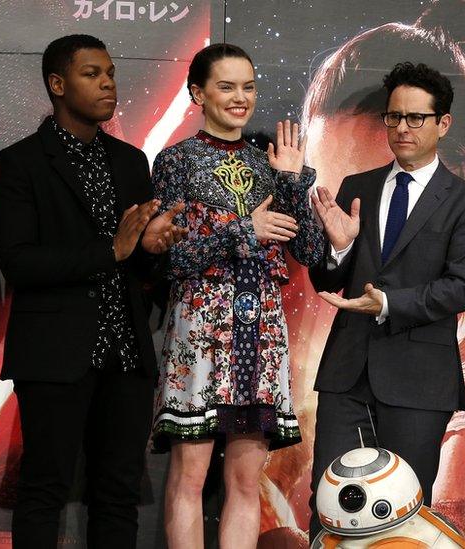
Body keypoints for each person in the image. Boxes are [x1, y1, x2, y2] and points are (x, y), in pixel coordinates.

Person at [0, 34, 182, 548]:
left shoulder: (130, 161)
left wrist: (153, 248)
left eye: (111, 73)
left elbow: (136, 260)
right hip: (55, 353)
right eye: (92, 74)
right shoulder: (20, 162)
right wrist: (112, 250)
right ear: (57, 84)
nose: (108, 84)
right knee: (43, 489)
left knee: (118, 493)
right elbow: (19, 261)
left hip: (125, 353)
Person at [150, 43, 325, 549]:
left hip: (262, 330)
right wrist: (241, 230)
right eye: (226, 87)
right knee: (190, 475)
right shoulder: (176, 161)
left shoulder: (270, 158)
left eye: (248, 86)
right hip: (201, 327)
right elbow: (172, 261)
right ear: (198, 93)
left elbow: (310, 250)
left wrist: (292, 181)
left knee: (246, 479)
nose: (240, 97)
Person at [307, 61, 465, 539]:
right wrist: (342, 247)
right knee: (330, 509)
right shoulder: (357, 188)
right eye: (394, 117)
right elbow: (326, 277)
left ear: (442, 124)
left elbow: (461, 288)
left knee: (402, 520)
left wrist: (386, 303)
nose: (402, 128)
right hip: (347, 372)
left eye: (415, 118)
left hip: (419, 379)